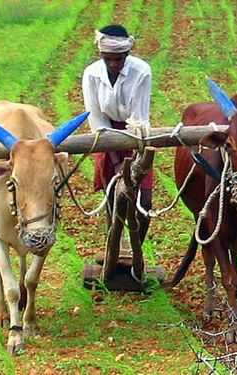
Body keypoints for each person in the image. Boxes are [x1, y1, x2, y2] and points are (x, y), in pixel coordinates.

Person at [82, 24, 153, 244]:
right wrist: (115, 162)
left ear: (127, 54)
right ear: (102, 55)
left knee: (145, 200)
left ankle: (136, 249)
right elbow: (97, 120)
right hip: (106, 136)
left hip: (136, 134)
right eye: (108, 59)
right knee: (114, 195)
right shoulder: (92, 74)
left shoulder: (141, 71)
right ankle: (115, 245)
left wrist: (135, 163)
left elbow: (139, 118)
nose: (113, 64)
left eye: (119, 59)